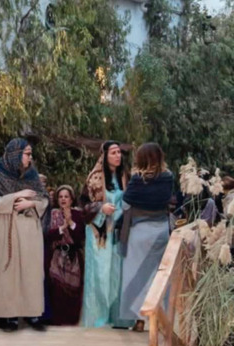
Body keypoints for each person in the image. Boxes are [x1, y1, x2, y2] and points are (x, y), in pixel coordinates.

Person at [0, 138, 48, 332]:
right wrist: (16, 197)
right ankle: (8, 316)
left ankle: (32, 313)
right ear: (15, 154)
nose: (30, 158)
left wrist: (31, 203)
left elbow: (44, 199)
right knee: (8, 273)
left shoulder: (32, 174)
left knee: (31, 272)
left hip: (30, 232)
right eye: (27, 154)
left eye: (30, 154)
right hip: (7, 230)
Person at [120, 143, 174, 331]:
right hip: (161, 230)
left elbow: (125, 203)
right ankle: (159, 317)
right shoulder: (168, 177)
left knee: (137, 275)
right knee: (158, 276)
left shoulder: (137, 179)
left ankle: (139, 319)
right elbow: (167, 200)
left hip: (139, 231)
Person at [81, 140, 129, 328]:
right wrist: (100, 208)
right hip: (99, 233)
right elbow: (83, 205)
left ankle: (119, 319)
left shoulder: (125, 176)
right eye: (113, 152)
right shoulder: (94, 178)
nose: (118, 156)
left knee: (117, 274)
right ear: (105, 156)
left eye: (119, 152)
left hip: (119, 230)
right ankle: (96, 321)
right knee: (100, 275)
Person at [44, 185, 85, 325]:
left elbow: (80, 236)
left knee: (73, 287)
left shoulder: (78, 214)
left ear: (71, 199)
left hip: (74, 256)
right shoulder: (53, 214)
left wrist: (70, 222)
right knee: (56, 287)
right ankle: (57, 320)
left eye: (66, 197)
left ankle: (71, 320)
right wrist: (62, 228)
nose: (63, 199)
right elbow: (48, 235)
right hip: (56, 255)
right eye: (60, 197)